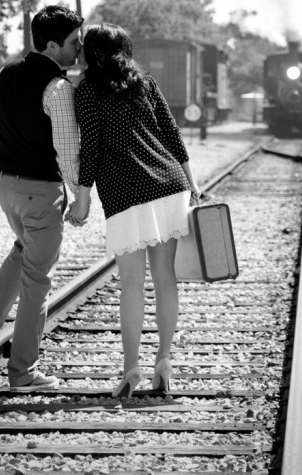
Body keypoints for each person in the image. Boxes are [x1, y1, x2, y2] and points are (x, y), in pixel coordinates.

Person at [69, 24, 201, 399]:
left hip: (125, 193)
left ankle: (131, 370)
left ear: (91, 54)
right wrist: (192, 184)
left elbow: (90, 149)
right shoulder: (145, 82)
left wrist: (82, 199)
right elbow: (173, 134)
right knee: (165, 279)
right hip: (170, 185)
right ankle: (163, 361)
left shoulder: (87, 91)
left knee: (131, 285)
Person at [0, 5, 86, 391]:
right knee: (38, 279)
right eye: (73, 41)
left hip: (6, 186)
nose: (80, 47)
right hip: (39, 191)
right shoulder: (58, 88)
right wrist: (80, 197)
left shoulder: (5, 74)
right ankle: (23, 372)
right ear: (52, 45)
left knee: (24, 249)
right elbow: (67, 151)